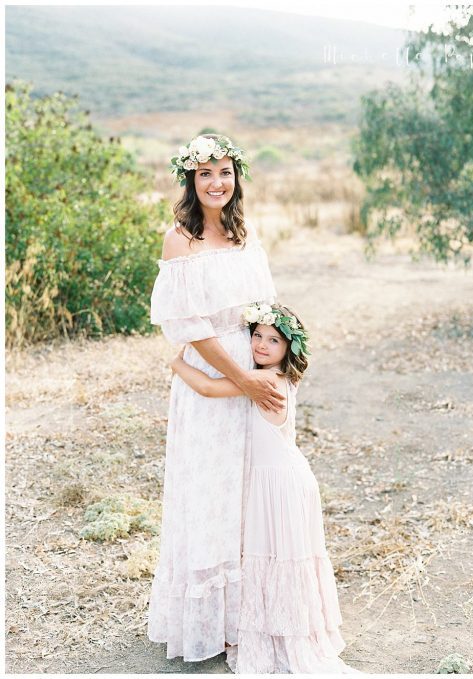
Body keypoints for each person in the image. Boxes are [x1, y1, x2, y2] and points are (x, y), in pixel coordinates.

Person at [148, 134, 282, 662]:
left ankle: (248, 616)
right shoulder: (179, 240)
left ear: (236, 176)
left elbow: (266, 309)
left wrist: (271, 372)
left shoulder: (247, 236)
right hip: (212, 375)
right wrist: (241, 379)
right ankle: (209, 624)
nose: (216, 182)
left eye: (224, 171)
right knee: (209, 492)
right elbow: (191, 328)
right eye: (205, 173)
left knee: (249, 492)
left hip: (251, 366)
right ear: (190, 180)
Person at [170, 303, 352, 673]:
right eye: (257, 336)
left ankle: (281, 635)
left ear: (289, 349)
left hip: (280, 484)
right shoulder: (274, 377)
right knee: (279, 560)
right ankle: (278, 627)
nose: (262, 345)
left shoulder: (266, 381)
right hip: (284, 478)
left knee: (278, 561)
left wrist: (177, 362)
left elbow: (206, 387)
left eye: (274, 340)